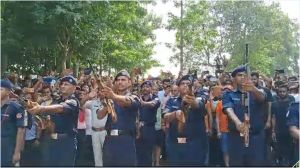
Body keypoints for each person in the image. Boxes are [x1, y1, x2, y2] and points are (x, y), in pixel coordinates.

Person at [28, 75, 80, 166]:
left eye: (66, 84)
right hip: (51, 140)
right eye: (62, 84)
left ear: (74, 88)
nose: (63, 86)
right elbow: (48, 114)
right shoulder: (56, 100)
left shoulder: (73, 101)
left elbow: (60, 108)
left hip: (66, 142)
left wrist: (41, 108)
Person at [222, 65, 266, 166]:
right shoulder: (229, 94)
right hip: (236, 138)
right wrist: (238, 123)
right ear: (234, 78)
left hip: (255, 138)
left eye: (245, 75)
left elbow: (262, 98)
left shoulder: (257, 92)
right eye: (239, 75)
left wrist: (252, 89)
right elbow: (228, 109)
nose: (242, 77)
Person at [97, 70, 141, 166]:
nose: (120, 82)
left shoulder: (134, 97)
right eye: (117, 80)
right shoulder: (109, 99)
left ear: (129, 82)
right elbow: (99, 115)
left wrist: (113, 96)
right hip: (109, 141)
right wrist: (107, 104)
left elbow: (128, 101)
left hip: (125, 140)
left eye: (123, 80)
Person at [163, 75, 207, 166]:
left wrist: (192, 101)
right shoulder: (172, 101)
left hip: (194, 145)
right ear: (178, 87)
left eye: (188, 84)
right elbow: (165, 116)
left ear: (193, 87)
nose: (185, 85)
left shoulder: (200, 98)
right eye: (182, 83)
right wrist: (175, 114)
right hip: (175, 144)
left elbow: (199, 104)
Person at [1, 79, 26, 166]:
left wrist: (17, 152)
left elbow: (21, 130)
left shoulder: (16, 107)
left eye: (1, 89)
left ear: (8, 92)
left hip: (8, 146)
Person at [136, 80, 160, 166]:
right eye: (143, 86)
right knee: (138, 153)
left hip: (149, 129)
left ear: (151, 88)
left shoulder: (155, 97)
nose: (145, 88)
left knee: (148, 153)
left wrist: (142, 103)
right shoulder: (137, 98)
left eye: (147, 86)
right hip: (138, 128)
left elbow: (153, 104)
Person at [271, 84, 295, 166]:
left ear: (287, 92)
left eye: (284, 91)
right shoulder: (275, 104)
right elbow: (273, 117)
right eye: (280, 92)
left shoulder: (292, 103)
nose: (282, 93)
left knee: (290, 147)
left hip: (290, 128)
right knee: (279, 147)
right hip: (279, 128)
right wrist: (273, 130)